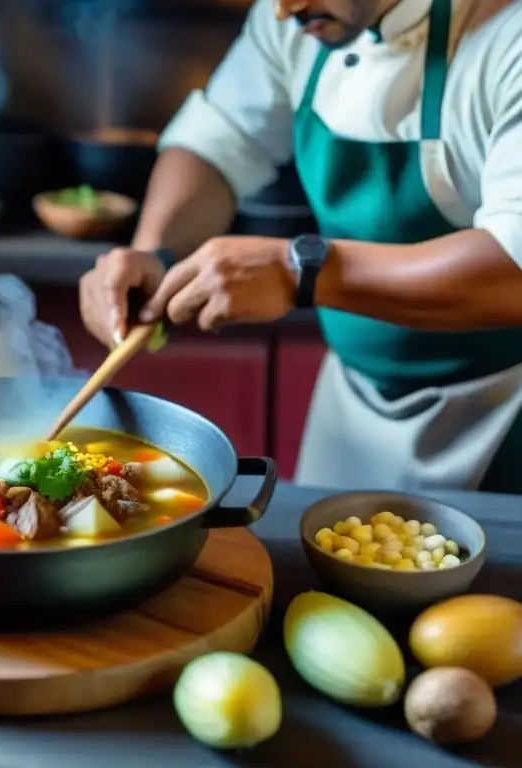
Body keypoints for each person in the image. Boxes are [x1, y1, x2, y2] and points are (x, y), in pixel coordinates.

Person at [78, 0, 522, 493]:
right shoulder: (300, 16)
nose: (285, 9)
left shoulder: (509, 38)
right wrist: (153, 252)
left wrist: (303, 271)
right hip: (349, 409)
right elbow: (221, 141)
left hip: (500, 413)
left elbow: (513, 270)